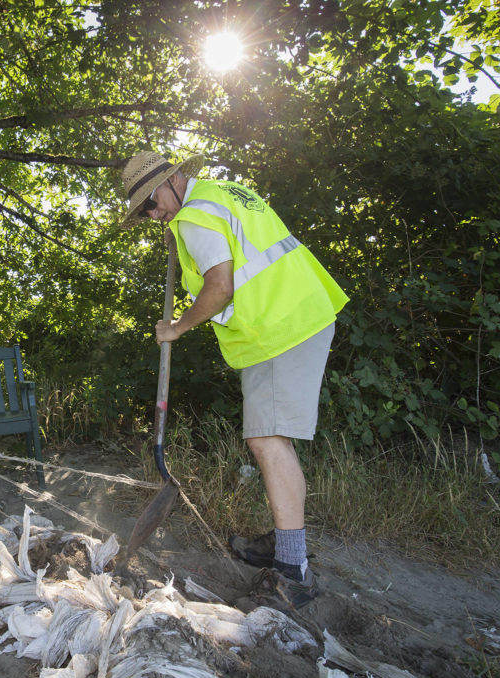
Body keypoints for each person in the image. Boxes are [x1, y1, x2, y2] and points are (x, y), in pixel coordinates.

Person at [121, 150, 348, 609]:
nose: (151, 213)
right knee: (272, 438)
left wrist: (177, 327)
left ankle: (293, 572)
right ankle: (287, 544)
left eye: (151, 201)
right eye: (144, 209)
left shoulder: (193, 217)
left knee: (268, 441)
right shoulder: (221, 194)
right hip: (300, 313)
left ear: (174, 179)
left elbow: (220, 285)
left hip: (280, 327)